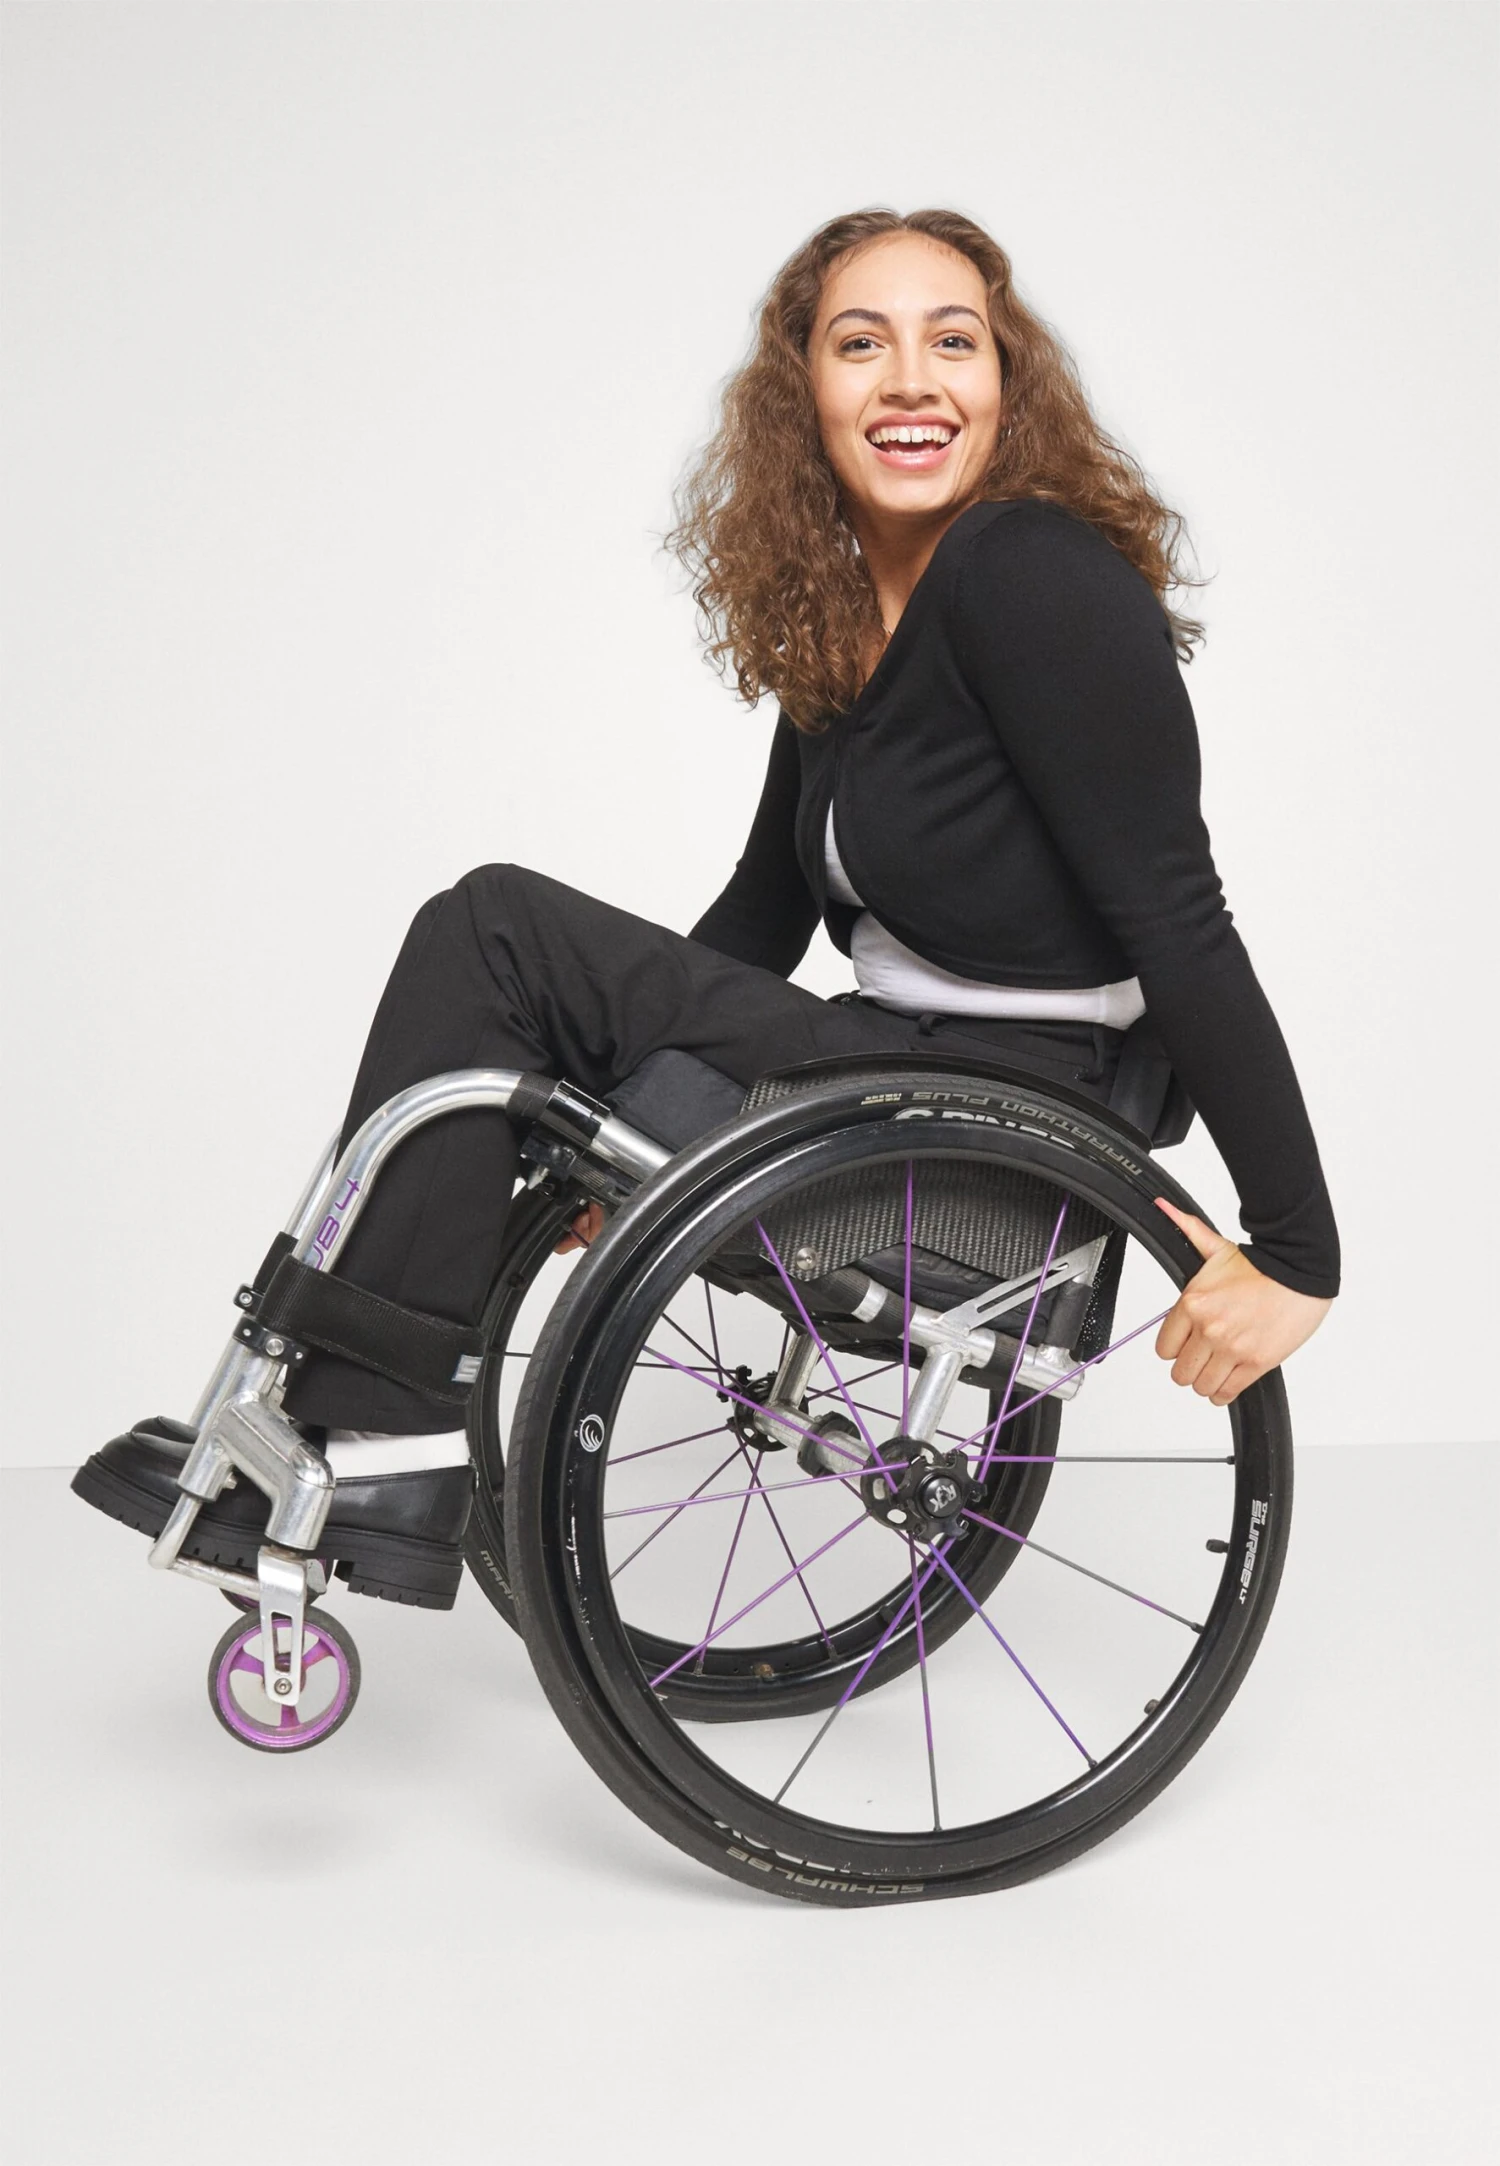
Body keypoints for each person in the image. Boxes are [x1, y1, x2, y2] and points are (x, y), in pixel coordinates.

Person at [74, 207, 1338, 1609]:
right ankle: (363, 1427)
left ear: (1007, 382)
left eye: (953, 341)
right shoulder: (854, 621)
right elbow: (760, 909)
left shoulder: (1031, 576)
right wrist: (592, 1105)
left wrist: (1296, 1249)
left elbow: (1179, 915)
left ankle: (378, 1438)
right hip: (892, 1062)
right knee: (504, 969)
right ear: (803, 393)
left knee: (494, 929)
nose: (911, 380)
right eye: (860, 344)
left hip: (1006, 1106)